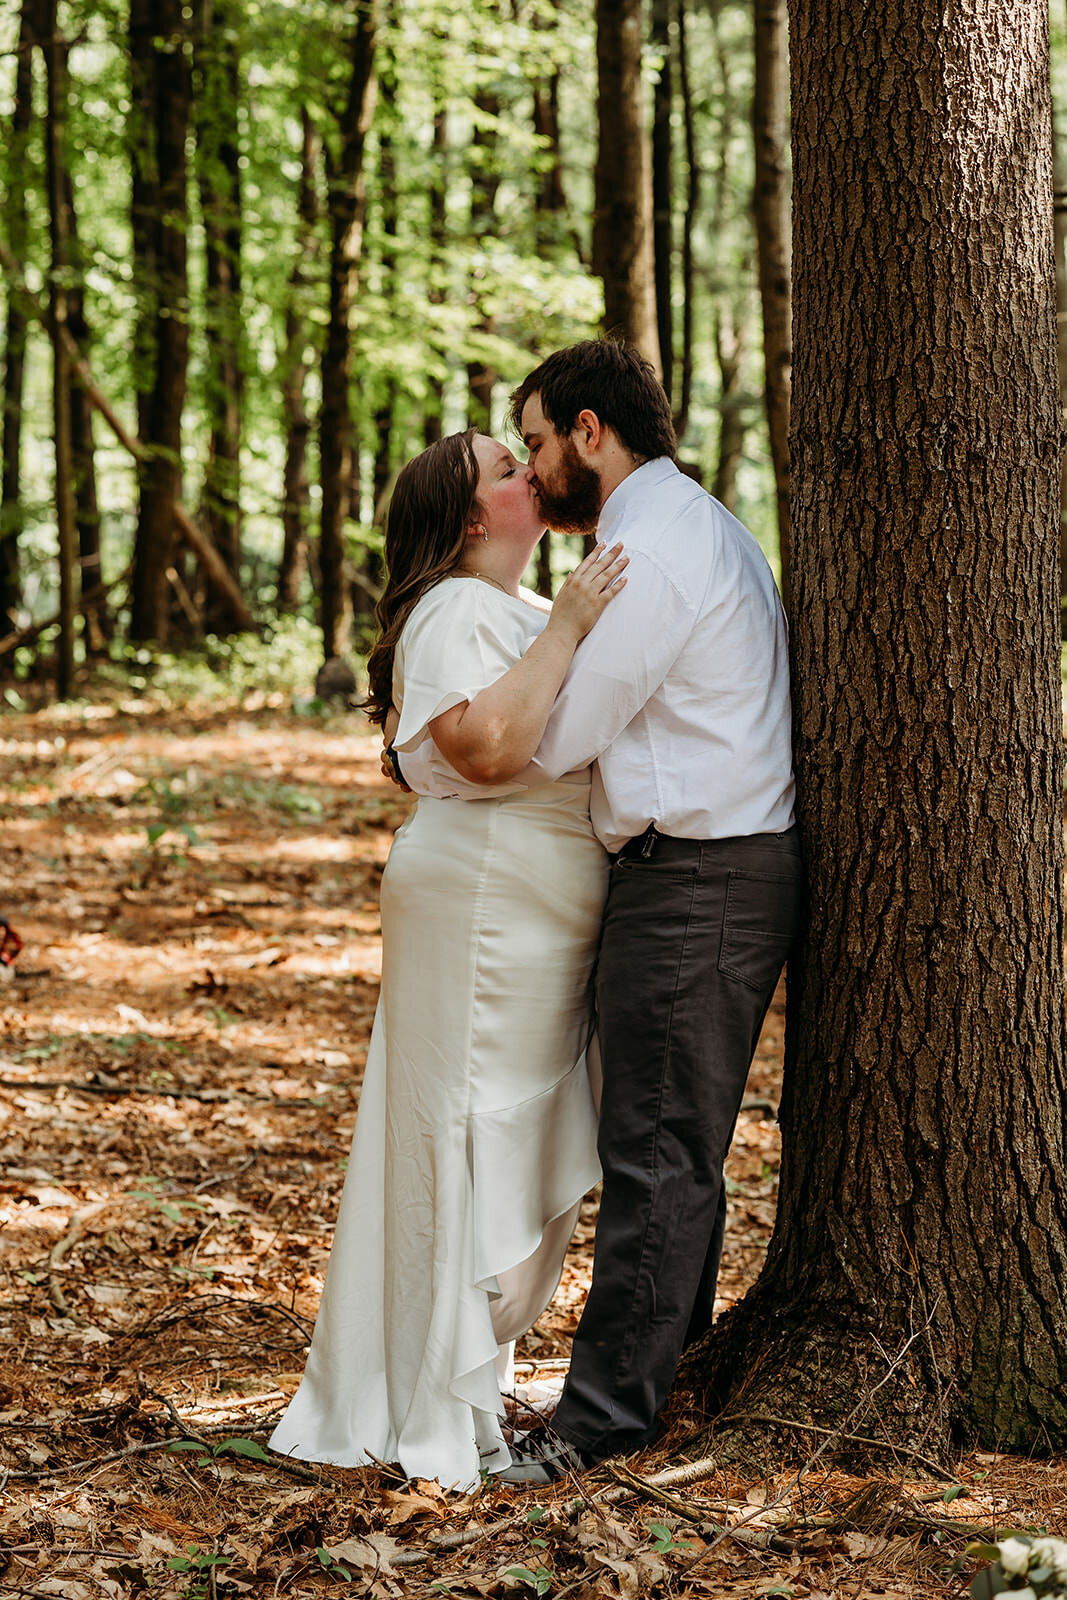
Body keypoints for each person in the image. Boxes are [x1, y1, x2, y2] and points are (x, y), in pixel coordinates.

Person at [393, 340, 801, 1485]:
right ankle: (648, 1381)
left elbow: (557, 738)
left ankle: (601, 1423)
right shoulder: (661, 531)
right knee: (663, 1143)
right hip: (684, 873)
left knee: (656, 1152)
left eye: (532, 440)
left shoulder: (655, 551)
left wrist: (475, 732)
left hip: (701, 877)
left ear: (586, 430)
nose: (529, 464)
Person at [269, 428, 627, 1491]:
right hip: (480, 902)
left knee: (507, 1133)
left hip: (539, 900)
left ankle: (458, 1382)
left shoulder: (511, 610)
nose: (532, 474)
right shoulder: (453, 609)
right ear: (473, 517)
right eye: (507, 470)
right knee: (465, 1131)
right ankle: (426, 1400)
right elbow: (479, 746)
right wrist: (568, 622)